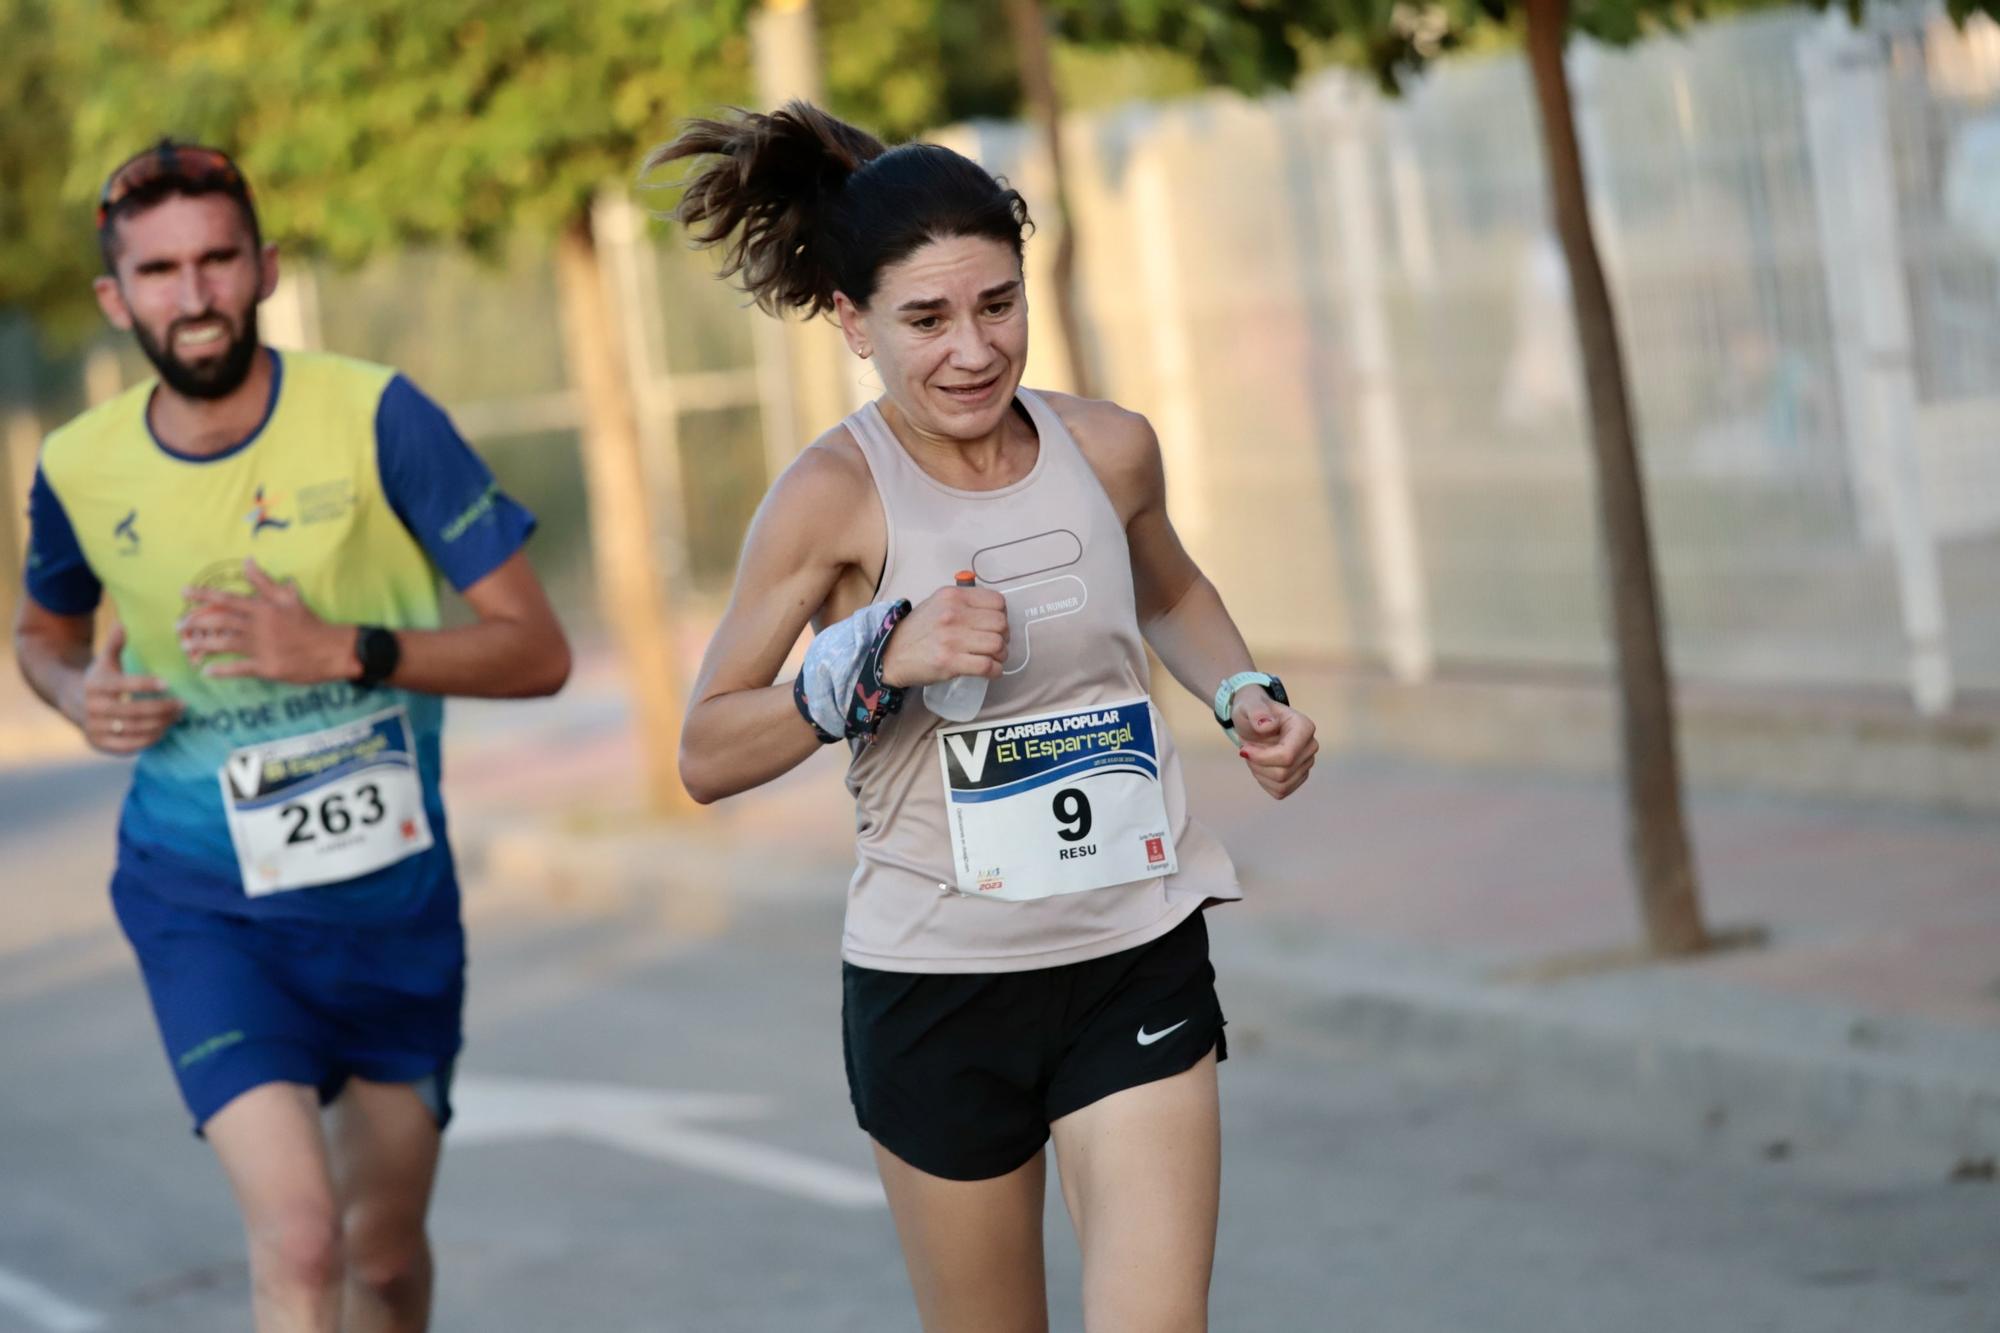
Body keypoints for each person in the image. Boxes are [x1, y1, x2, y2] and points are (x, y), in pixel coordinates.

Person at [656, 103, 1318, 1333]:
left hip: (1131, 944)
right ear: (852, 323)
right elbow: (705, 748)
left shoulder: (1107, 448)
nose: (972, 350)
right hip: (937, 984)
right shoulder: (829, 498)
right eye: (925, 319)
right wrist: (867, 659)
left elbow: (1167, 585)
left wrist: (1241, 695)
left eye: (997, 305)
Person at [12, 140, 570, 1332]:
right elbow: (43, 633)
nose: (195, 291)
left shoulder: (379, 417)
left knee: (379, 1256)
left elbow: (537, 649)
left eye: (218, 258)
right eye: (159, 270)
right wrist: (74, 698)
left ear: (263, 268)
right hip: (204, 905)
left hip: (389, 907)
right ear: (117, 299)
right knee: (302, 1242)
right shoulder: (78, 464)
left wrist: (345, 649)